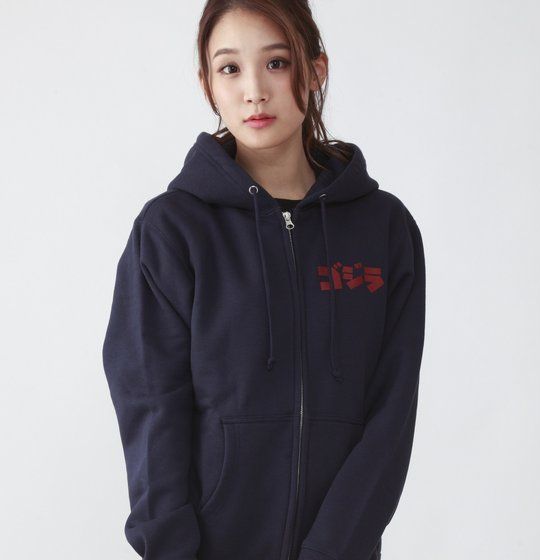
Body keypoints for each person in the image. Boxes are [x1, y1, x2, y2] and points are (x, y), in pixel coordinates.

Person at [101, 1, 426, 559]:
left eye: (277, 63)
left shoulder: (384, 228)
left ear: (316, 70)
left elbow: (391, 414)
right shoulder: (173, 230)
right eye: (230, 68)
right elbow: (151, 410)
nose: (254, 91)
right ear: (207, 84)